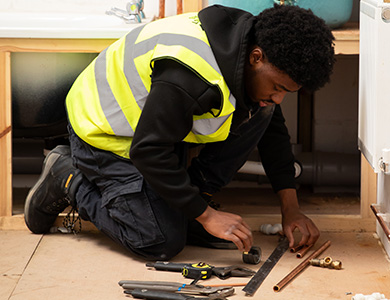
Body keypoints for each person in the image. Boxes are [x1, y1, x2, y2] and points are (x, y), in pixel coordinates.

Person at [24, 4, 335, 260]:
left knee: (262, 111)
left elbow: (273, 131)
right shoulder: (191, 74)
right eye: (278, 87)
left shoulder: (246, 43)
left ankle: (187, 207)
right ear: (256, 57)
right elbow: (148, 152)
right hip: (104, 135)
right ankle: (67, 177)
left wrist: (291, 210)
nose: (279, 97)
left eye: (287, 92)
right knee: (159, 240)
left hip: (153, 132)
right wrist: (207, 216)